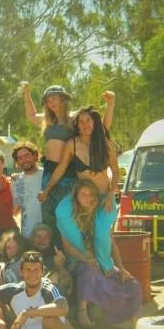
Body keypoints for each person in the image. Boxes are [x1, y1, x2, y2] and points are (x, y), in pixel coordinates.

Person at [21, 83, 115, 231]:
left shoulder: (74, 118)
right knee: (48, 209)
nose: (51, 102)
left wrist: (110, 104)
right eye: (48, 100)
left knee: (68, 212)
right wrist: (26, 93)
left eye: (54, 98)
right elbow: (31, 115)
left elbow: (102, 127)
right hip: (49, 169)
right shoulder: (47, 120)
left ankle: (68, 248)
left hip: (68, 170)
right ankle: (52, 249)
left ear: (63, 99)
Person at [56, 179, 141, 329]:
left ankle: (131, 321)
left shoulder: (100, 216)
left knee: (132, 284)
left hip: (104, 262)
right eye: (83, 194)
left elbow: (112, 243)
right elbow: (68, 247)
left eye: (91, 195)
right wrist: (86, 258)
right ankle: (82, 311)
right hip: (78, 261)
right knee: (91, 272)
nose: (88, 198)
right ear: (76, 196)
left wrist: (120, 267)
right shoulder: (68, 217)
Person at [0, 251, 82, 329]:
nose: (32, 274)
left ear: (42, 271)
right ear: (21, 272)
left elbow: (63, 308)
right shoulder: (14, 290)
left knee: (50, 321)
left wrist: (26, 313)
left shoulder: (49, 288)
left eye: (36, 270)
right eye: (28, 270)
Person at [39, 106, 120, 208]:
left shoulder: (106, 144)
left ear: (94, 122)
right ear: (77, 126)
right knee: (61, 212)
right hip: (83, 201)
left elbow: (116, 171)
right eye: (81, 122)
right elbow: (61, 169)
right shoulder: (72, 144)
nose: (85, 124)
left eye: (88, 120)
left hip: (104, 198)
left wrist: (110, 194)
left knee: (101, 222)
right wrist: (46, 190)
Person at [28, 223, 72, 298]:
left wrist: (61, 266)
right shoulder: (27, 254)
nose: (42, 240)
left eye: (46, 238)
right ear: (33, 239)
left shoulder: (58, 255)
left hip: (53, 296)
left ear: (50, 240)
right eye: (38, 236)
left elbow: (67, 284)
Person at [10, 140, 44, 238]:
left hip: (47, 233)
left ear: (35, 156)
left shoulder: (46, 175)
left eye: (27, 156)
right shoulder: (16, 181)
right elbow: (15, 209)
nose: (24, 160)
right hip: (27, 235)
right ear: (17, 162)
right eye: (20, 158)